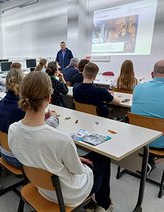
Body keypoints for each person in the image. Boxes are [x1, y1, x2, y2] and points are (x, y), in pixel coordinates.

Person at [8, 71, 113, 211]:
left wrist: (71, 158)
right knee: (104, 158)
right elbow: (77, 171)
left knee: (84, 160)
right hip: (67, 194)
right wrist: (74, 159)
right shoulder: (61, 139)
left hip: (40, 186)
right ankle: (104, 205)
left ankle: (101, 203)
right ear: (48, 98)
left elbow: (35, 152)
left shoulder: (13, 129)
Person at [0, 69, 59, 168]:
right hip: (19, 159)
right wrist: (53, 118)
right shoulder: (21, 107)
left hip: (3, 151)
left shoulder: (2, 102)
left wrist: (41, 117)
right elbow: (40, 132)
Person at [131, 59, 164, 172]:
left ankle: (149, 160)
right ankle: (152, 160)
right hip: (160, 144)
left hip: (137, 138)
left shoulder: (138, 88)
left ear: (151, 74)